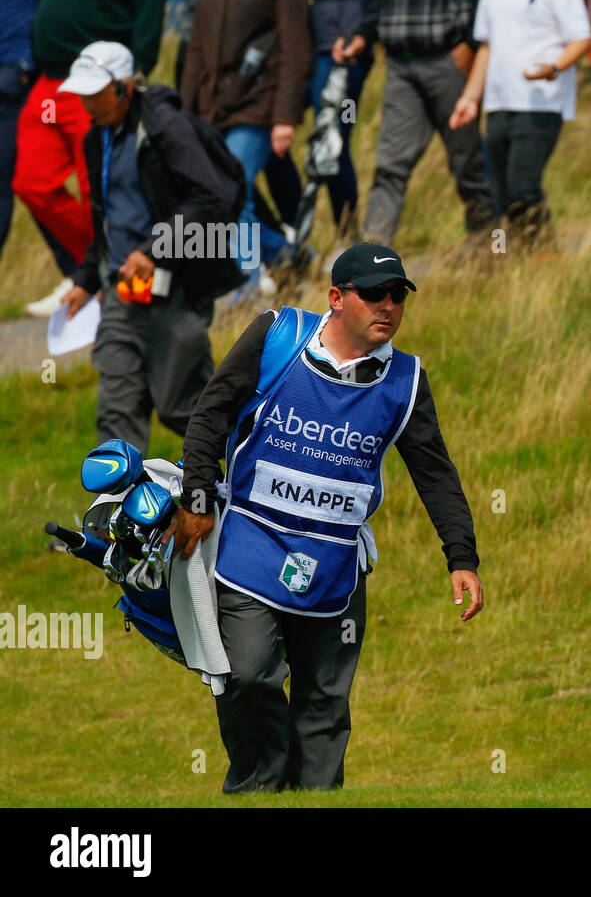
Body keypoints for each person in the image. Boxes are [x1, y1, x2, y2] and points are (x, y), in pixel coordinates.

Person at [163, 242, 484, 793]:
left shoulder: (406, 381)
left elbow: (435, 474)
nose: (388, 307)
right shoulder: (277, 334)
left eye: (398, 297)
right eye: (374, 295)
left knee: (325, 705)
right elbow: (211, 411)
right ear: (336, 298)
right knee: (247, 676)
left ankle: (313, 800)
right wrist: (195, 498)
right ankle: (257, 790)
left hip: (336, 565)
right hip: (250, 548)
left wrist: (462, 557)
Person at [58, 42, 239, 456]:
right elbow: (105, 218)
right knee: (117, 412)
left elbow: (209, 199)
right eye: (82, 94)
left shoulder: (166, 128)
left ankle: (250, 484)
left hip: (174, 291)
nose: (86, 103)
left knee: (183, 409)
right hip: (121, 294)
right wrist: (85, 281)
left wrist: (154, 250)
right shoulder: (95, 140)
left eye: (95, 93)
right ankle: (117, 512)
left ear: (124, 87)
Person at [14, 0, 166, 317]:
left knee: (99, 188)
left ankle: (123, 288)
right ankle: (94, 270)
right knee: (32, 182)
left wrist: (138, 72)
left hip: (100, 85)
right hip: (50, 82)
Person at [337, 0, 497, 244]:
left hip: (449, 61)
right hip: (400, 65)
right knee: (390, 165)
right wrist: (363, 34)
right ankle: (372, 255)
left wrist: (470, 43)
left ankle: (488, 245)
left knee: (468, 162)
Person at [181, 0, 312, 288]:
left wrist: (285, 116)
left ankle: (245, 293)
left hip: (259, 102)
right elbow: (196, 45)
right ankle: (288, 256)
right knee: (217, 194)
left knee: (233, 194)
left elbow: (295, 42)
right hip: (214, 105)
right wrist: (184, 111)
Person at [449, 0, 591, 247]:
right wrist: (470, 97)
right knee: (502, 191)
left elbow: (580, 39)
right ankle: (521, 251)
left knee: (523, 185)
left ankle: (543, 250)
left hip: (541, 104)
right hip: (500, 104)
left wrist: (553, 68)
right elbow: (486, 47)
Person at [263, 0, 376, 244]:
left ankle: (347, 239)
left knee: (332, 144)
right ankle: (295, 233)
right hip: (297, 50)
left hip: (342, 50)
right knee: (268, 134)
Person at [0, 0, 78, 288]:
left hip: (22, 72)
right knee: (23, 181)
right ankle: (78, 271)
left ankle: (79, 271)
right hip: (15, 71)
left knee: (23, 179)